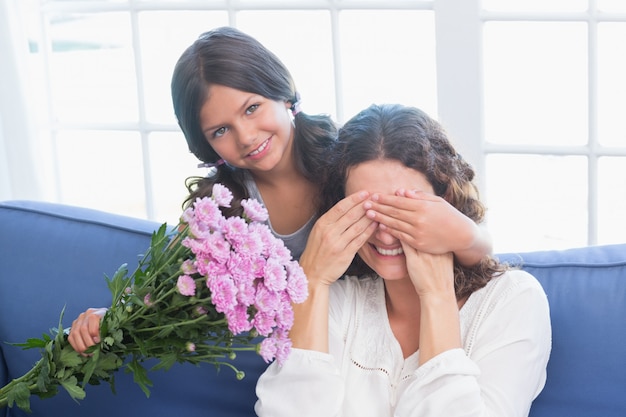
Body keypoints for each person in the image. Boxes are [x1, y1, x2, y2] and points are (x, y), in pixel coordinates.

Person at [68, 28, 491, 358]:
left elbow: (469, 243)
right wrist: (116, 315)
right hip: (295, 354)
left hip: (367, 336)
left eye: (252, 108)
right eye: (220, 131)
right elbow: (165, 279)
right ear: (205, 143)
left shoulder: (346, 159)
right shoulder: (217, 207)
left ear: (284, 95)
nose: (247, 136)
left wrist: (470, 237)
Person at [254, 103, 551, 417]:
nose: (385, 234)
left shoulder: (512, 300)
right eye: (366, 211)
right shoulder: (337, 303)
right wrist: (311, 280)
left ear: (444, 202)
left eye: (403, 210)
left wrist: (436, 296)